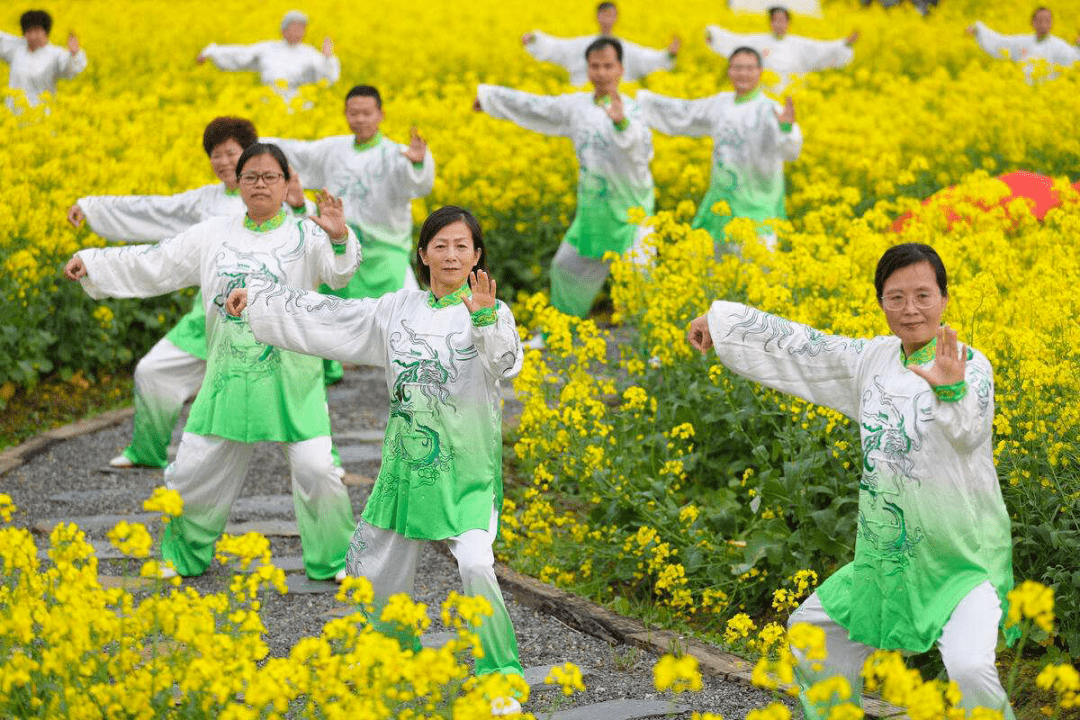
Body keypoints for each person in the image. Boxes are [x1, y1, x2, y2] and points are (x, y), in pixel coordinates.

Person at [687, 243, 1016, 718]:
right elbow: (805, 347)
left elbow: (970, 430)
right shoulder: (872, 360)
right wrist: (719, 325)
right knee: (813, 635)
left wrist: (948, 386)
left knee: (968, 668)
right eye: (895, 297)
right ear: (881, 303)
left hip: (961, 561)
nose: (910, 310)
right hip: (888, 560)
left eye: (923, 295)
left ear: (945, 299)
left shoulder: (970, 365)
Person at [227, 206, 526, 715]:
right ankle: (387, 657)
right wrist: (258, 302)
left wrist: (482, 319)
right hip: (405, 465)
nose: (450, 255)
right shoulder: (397, 308)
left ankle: (500, 677)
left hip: (466, 470)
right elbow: (332, 316)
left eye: (462, 246)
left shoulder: (490, 310)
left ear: (477, 256)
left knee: (476, 563)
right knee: (377, 568)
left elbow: (508, 364)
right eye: (441, 245)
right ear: (423, 252)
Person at [63, 143, 360, 581]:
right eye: (251, 177)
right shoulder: (213, 233)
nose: (260, 185)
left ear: (286, 183)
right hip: (227, 374)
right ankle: (182, 556)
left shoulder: (306, 233)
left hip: (293, 377)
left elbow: (340, 274)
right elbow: (156, 261)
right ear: (237, 184)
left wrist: (338, 235)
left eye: (270, 177)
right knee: (194, 469)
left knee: (317, 469)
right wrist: (94, 262)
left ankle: (336, 560)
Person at [68, 117, 311, 470]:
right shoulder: (205, 202)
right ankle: (147, 450)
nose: (224, 162)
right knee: (153, 372)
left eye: (231, 153)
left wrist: (302, 205)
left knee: (301, 404)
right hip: (212, 318)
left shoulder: (279, 194)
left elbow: (316, 240)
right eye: (216, 155)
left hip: (273, 327)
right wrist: (93, 209)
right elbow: (154, 210)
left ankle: (325, 467)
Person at [264, 84, 433, 382]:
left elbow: (418, 185)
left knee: (405, 314)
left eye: (367, 113)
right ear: (345, 114)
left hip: (384, 251)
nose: (360, 119)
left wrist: (418, 162)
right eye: (353, 113)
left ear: (380, 114)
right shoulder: (334, 149)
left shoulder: (395, 153)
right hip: (339, 246)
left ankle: (414, 373)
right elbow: (298, 152)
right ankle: (328, 370)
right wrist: (256, 142)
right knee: (327, 308)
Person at [474, 38, 654, 318]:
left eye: (608, 66)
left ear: (621, 69)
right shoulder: (577, 106)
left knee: (642, 280)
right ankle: (559, 330)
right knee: (566, 268)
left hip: (632, 214)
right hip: (594, 214)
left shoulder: (634, 110)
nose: (602, 73)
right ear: (587, 70)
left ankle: (654, 345)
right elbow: (536, 107)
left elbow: (642, 150)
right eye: (595, 66)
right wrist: (489, 99)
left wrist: (621, 124)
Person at [637, 47, 801, 249]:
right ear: (729, 71)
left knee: (756, 271)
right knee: (713, 273)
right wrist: (643, 102)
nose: (743, 73)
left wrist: (786, 128)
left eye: (749, 68)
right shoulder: (721, 103)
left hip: (757, 210)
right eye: (737, 67)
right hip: (720, 207)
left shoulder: (771, 109)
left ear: (760, 71)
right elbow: (686, 113)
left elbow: (790, 151)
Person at [522, 1, 680, 85]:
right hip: (585, 98)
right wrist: (535, 40)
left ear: (616, 18)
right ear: (597, 17)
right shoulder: (583, 44)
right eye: (604, 14)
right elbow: (559, 48)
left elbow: (645, 59)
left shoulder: (624, 47)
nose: (607, 19)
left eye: (611, 15)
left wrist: (668, 54)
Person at [197, 10, 340, 100]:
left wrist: (327, 58)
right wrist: (211, 52)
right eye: (294, 28)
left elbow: (327, 77)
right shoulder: (268, 48)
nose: (298, 32)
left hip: (299, 105)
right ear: (283, 30)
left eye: (301, 29)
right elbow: (240, 54)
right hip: (268, 102)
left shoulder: (309, 52)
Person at [705, 6, 857, 92]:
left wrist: (844, 44)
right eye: (775, 21)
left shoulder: (799, 43)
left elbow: (823, 50)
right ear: (770, 23)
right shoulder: (758, 40)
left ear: (788, 23)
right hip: (764, 92)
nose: (779, 24)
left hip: (792, 93)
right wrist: (714, 35)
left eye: (782, 21)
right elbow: (736, 42)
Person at [1, 9, 87, 110]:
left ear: (46, 32)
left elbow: (71, 69)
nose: (33, 36)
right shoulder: (17, 48)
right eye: (29, 31)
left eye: (37, 31)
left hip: (40, 116)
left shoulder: (55, 54)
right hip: (13, 114)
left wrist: (74, 54)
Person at [967, 7, 1080, 81]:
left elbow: (1073, 58)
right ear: (1033, 23)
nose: (1044, 24)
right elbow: (1001, 42)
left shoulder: (1059, 45)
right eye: (1040, 20)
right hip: (1023, 90)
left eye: (1047, 21)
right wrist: (979, 30)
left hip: (1046, 92)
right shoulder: (1022, 41)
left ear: (1051, 24)